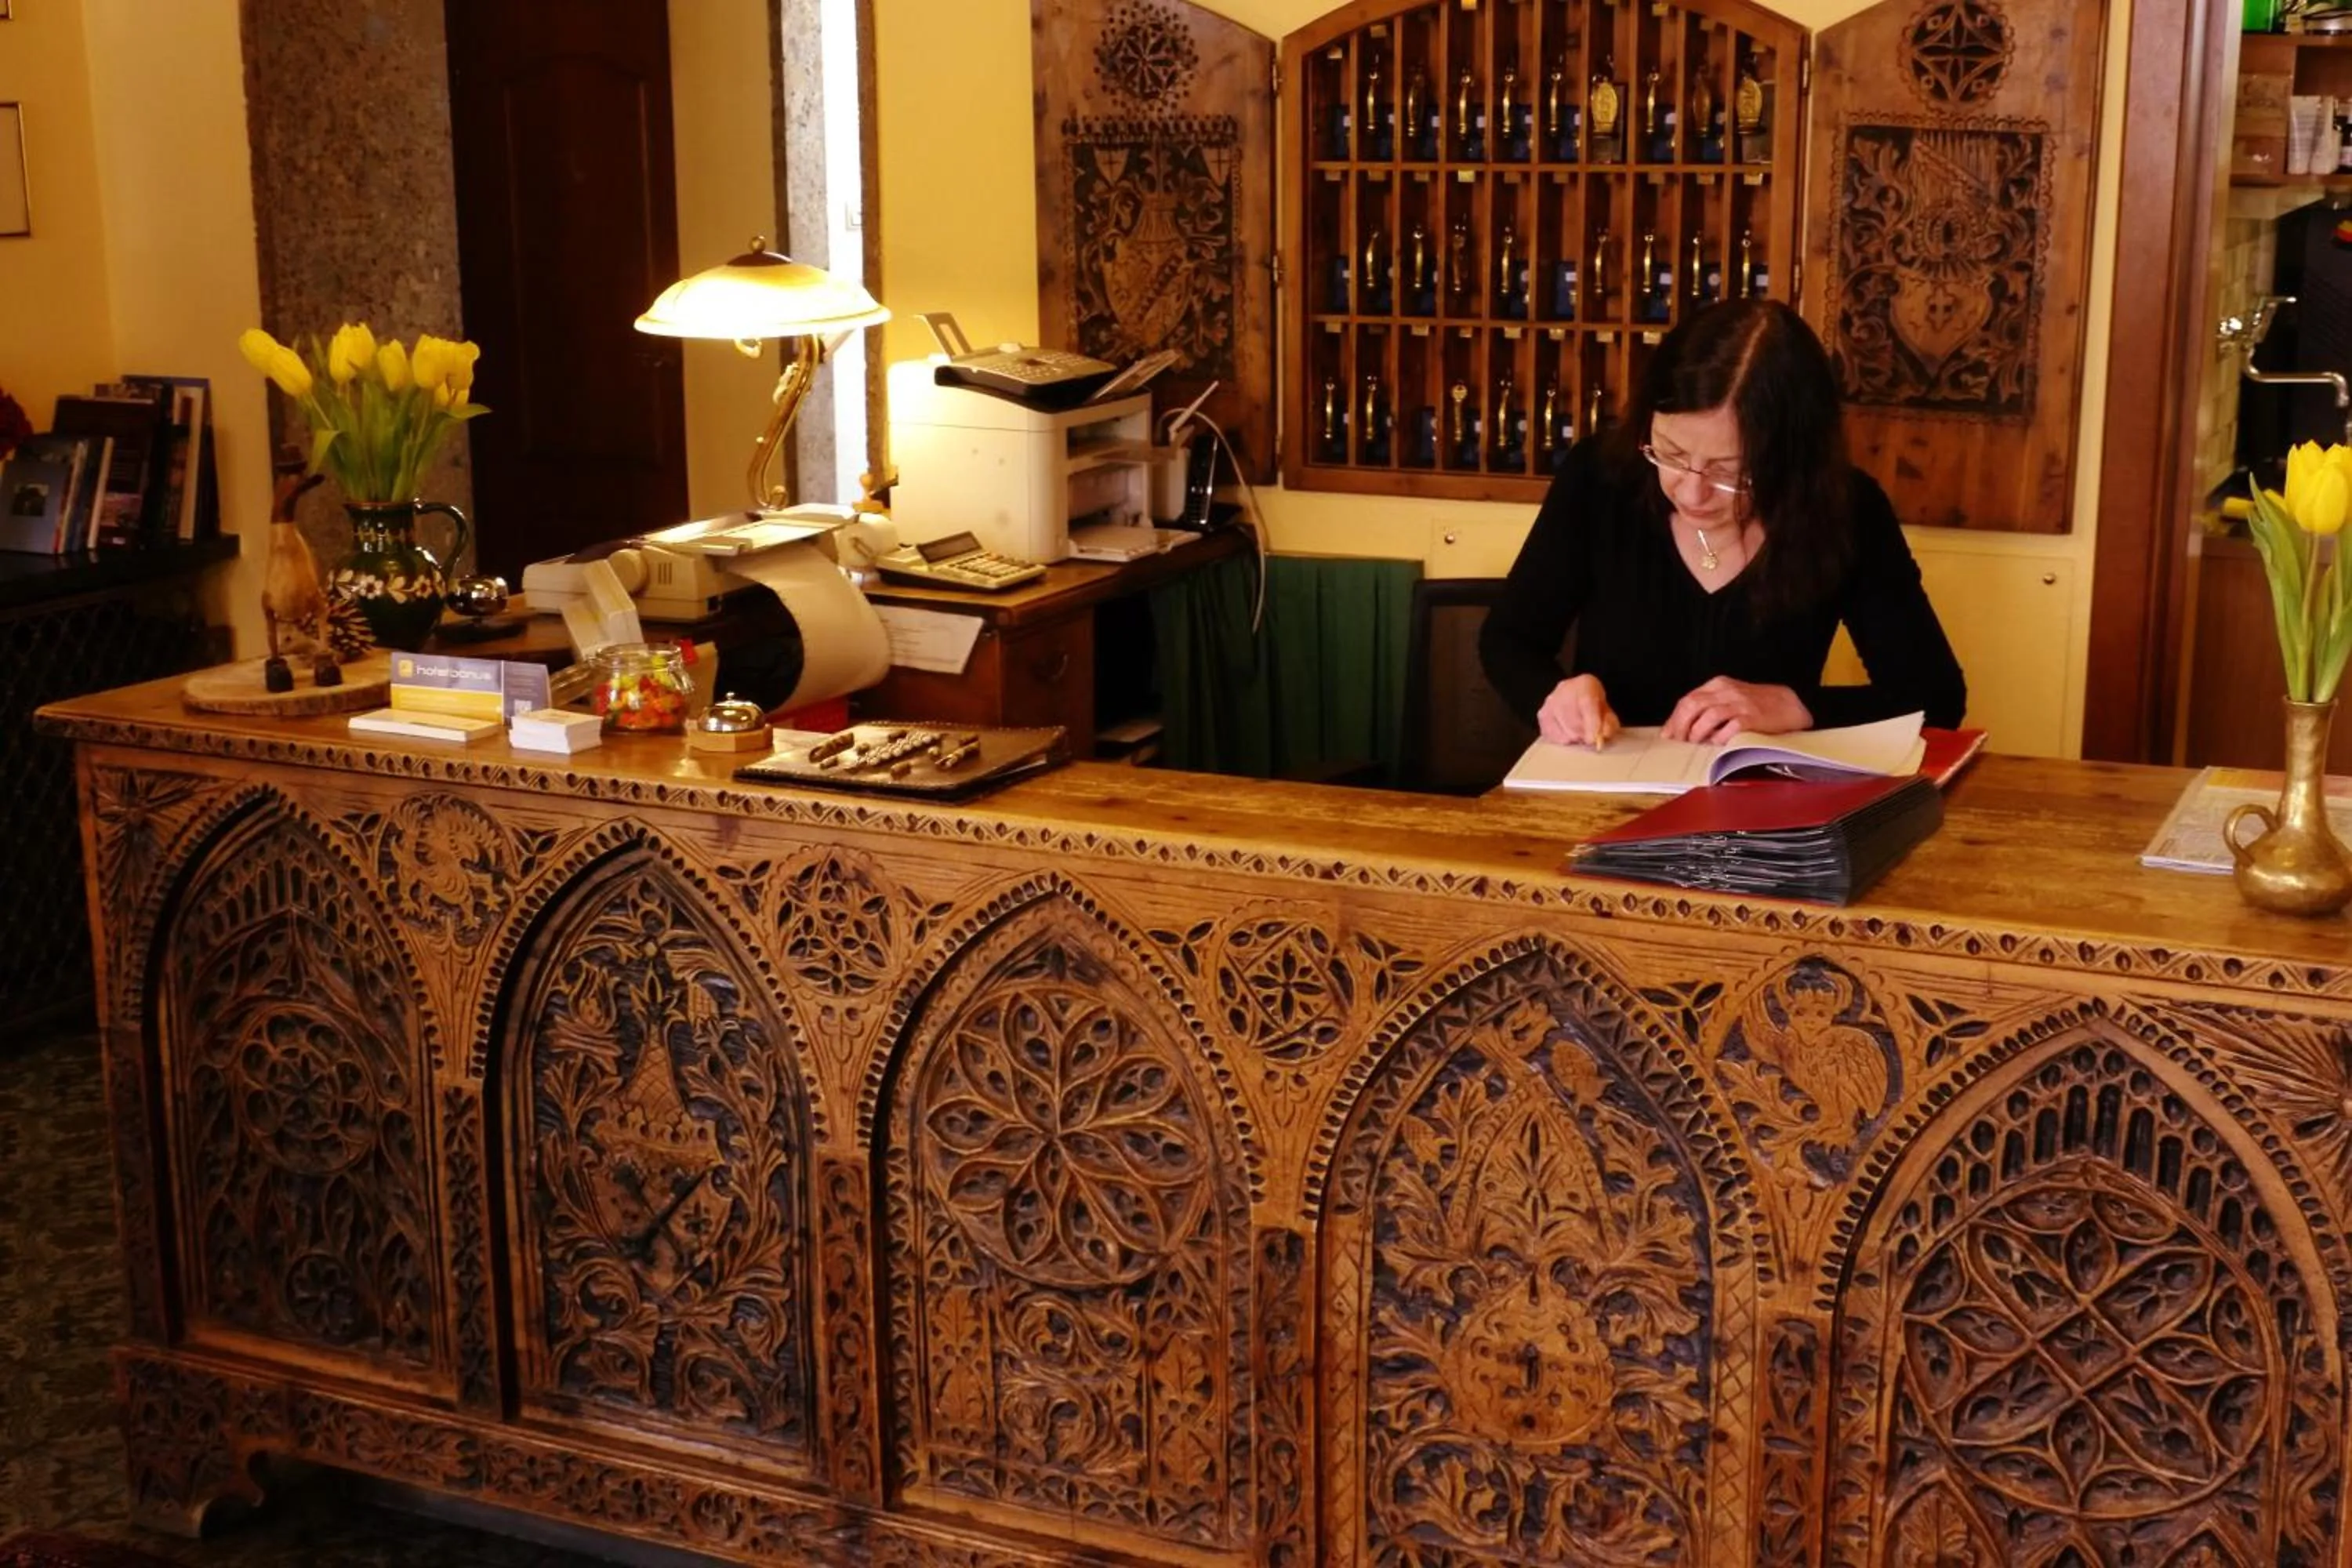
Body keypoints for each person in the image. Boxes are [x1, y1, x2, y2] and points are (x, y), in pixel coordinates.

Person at [1479, 299, 1965, 749]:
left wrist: (1796, 705)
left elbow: (1936, 697)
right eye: (1670, 453)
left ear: (1793, 460)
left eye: (1730, 472)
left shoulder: (1846, 508)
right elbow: (1508, 640)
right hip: (1608, 793)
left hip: (1762, 810)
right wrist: (1555, 692)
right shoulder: (1601, 478)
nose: (1691, 492)